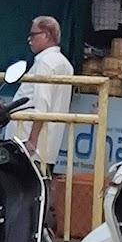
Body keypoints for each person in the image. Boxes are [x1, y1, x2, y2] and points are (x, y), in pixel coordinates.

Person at [16, 15, 73, 173]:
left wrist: (32, 140)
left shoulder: (45, 63)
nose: (29, 39)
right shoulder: (65, 64)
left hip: (31, 144)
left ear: (47, 35)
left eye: (33, 35)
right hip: (49, 145)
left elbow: (42, 104)